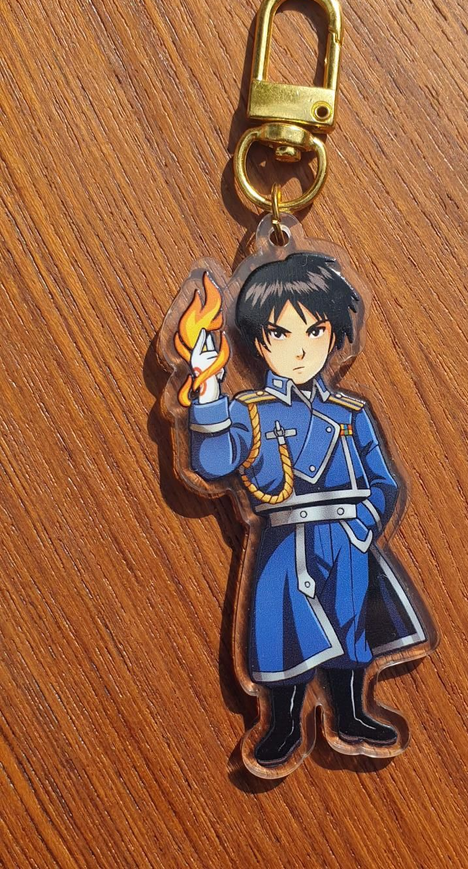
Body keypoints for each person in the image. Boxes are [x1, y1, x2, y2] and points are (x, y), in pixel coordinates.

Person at [188, 252, 426, 766]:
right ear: (260, 342)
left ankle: (352, 713)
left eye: (315, 332)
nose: (300, 349)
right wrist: (206, 387)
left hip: (346, 539)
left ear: (334, 335)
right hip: (286, 541)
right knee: (283, 631)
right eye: (282, 334)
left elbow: (383, 481)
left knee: (349, 627)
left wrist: (364, 525)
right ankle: (280, 724)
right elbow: (212, 461)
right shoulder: (250, 411)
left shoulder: (351, 412)